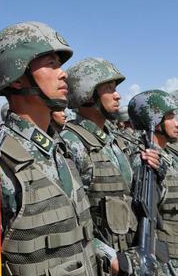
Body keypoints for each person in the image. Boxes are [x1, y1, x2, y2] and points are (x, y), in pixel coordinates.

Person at [0, 21, 100, 275]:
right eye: (51, 64)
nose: (63, 73)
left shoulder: (61, 150)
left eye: (61, 64)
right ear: (18, 77)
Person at [61, 58, 161, 274]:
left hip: (132, 256)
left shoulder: (118, 141)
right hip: (105, 265)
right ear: (87, 93)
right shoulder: (72, 142)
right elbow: (69, 219)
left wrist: (153, 170)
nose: (118, 95)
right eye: (109, 88)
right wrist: (109, 256)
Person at [128, 90, 178, 275]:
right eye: (170, 117)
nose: (177, 123)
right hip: (165, 262)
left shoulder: (167, 156)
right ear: (154, 121)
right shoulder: (145, 160)